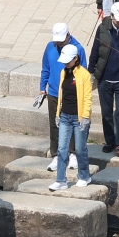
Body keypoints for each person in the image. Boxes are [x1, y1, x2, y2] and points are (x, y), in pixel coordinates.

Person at [38, 24, 87, 171]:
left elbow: (83, 72)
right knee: (54, 125)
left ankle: (73, 154)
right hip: (53, 92)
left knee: (72, 123)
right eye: (56, 40)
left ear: (68, 35)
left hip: (71, 94)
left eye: (61, 40)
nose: (58, 43)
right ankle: (56, 155)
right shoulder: (50, 47)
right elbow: (46, 68)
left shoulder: (78, 49)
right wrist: (42, 88)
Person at [89, 2, 119, 156]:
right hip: (105, 79)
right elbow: (95, 51)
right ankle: (110, 141)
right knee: (106, 113)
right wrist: (90, 72)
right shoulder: (102, 29)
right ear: (112, 16)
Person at [49, 46, 95, 191]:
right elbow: (61, 95)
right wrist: (58, 114)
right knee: (62, 149)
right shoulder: (63, 72)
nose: (65, 64)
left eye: (68, 61)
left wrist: (85, 116)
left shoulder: (84, 75)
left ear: (76, 59)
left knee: (80, 149)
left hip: (79, 117)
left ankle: (84, 176)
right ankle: (61, 180)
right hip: (65, 116)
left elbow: (88, 97)